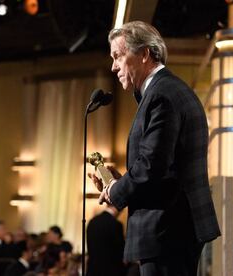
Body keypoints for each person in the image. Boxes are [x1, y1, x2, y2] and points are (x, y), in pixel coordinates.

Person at [89, 21, 221, 276]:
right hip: (171, 230)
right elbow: (160, 164)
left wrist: (117, 190)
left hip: (168, 229)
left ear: (144, 54)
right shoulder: (166, 91)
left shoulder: (162, 95)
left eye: (118, 56)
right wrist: (123, 179)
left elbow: (152, 166)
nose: (113, 66)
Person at [86, 206, 125, 276]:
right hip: (110, 271)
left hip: (92, 270)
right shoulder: (116, 224)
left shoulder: (92, 222)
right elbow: (120, 251)